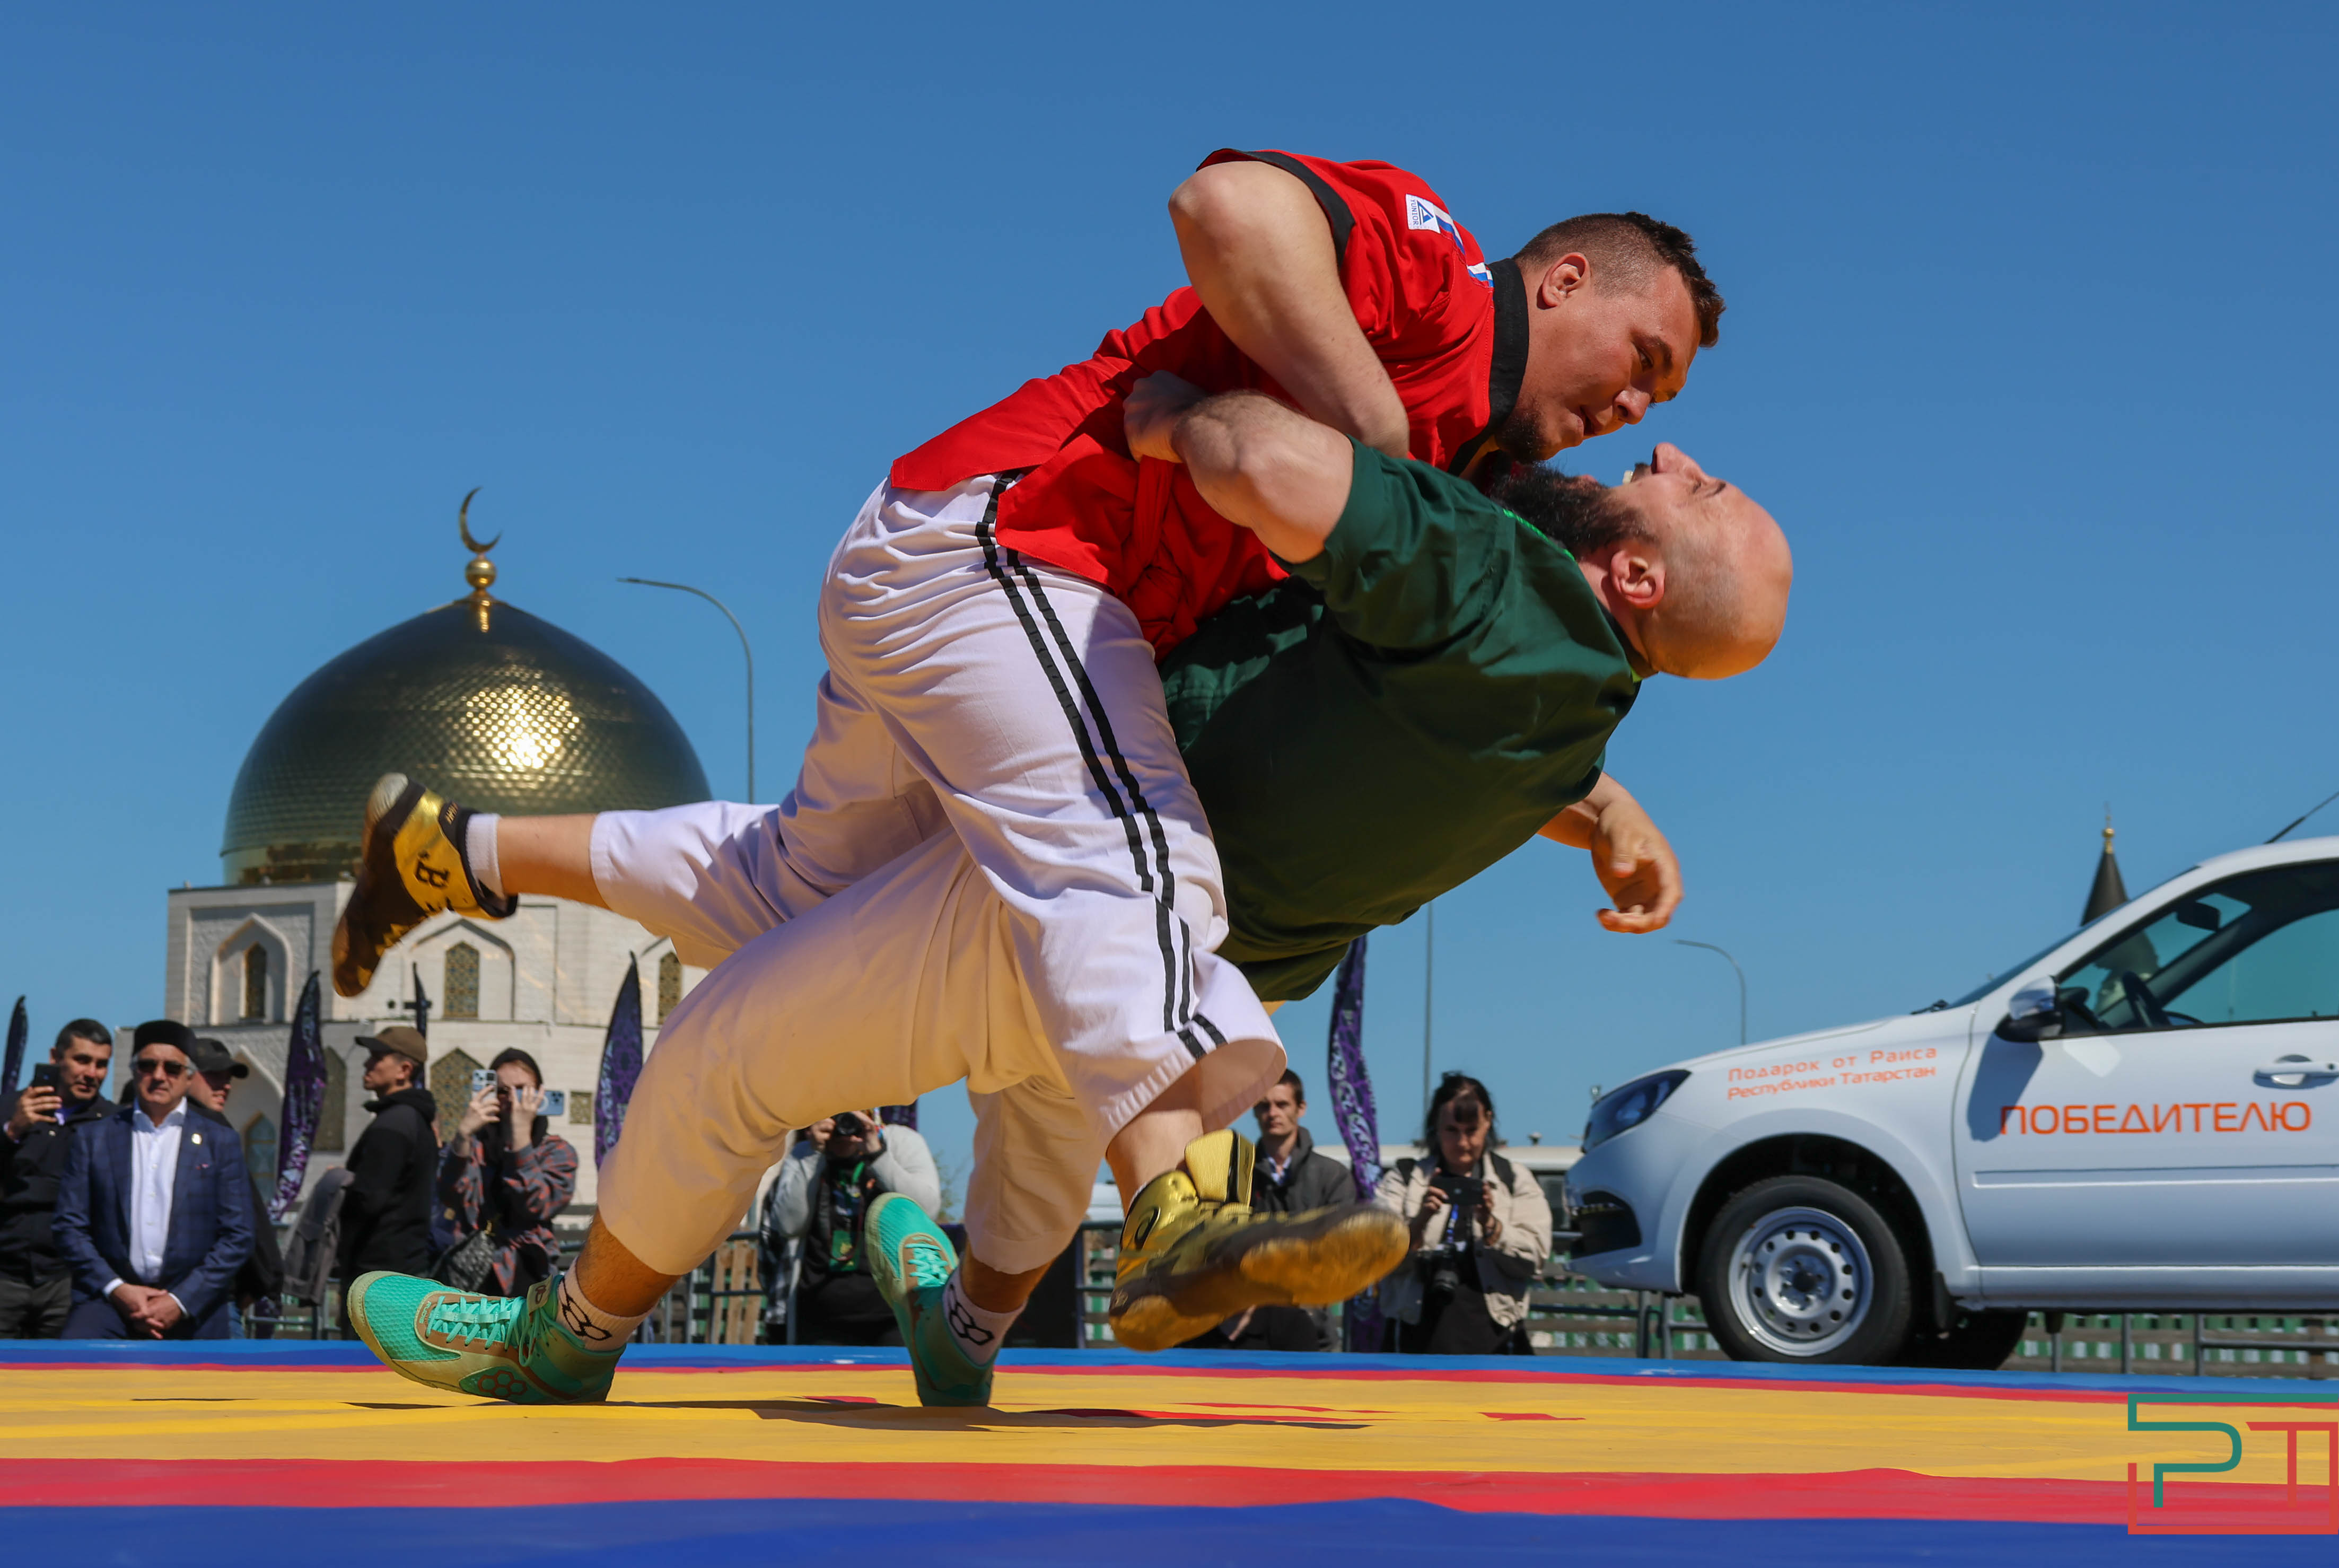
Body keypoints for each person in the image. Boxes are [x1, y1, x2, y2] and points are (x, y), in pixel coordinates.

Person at [332, 153, 1722, 1398]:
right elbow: (1223, 205)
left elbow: (1428, 701)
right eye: (1643, 357)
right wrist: (1367, 418)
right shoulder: (1433, 275)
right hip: (1007, 544)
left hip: (965, 593)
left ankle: (458, 848)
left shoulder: (1476, 495)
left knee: (788, 882)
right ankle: (1178, 1200)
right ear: (1564, 275)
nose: (1633, 408)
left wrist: (1598, 803)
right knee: (1121, 839)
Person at [52, 1021, 255, 1339]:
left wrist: (179, 1301)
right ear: (134, 1071)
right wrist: (118, 1289)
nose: (159, 1076)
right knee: (75, 1377)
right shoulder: (95, 1139)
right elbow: (69, 1226)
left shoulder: (220, 1142)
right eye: (148, 1065)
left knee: (205, 1387)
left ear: (189, 1077)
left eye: (172, 1068)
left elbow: (238, 1234)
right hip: (110, 1304)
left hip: (194, 1306)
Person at [1376, 1074, 1554, 1355]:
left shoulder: (1514, 1179)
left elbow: (1535, 1259)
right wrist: (1420, 1221)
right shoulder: (1405, 1178)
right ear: (1436, 1125)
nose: (1462, 1143)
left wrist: (1491, 1224)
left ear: (1489, 1122)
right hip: (1412, 1340)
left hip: (1496, 1343)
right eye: (1451, 1130)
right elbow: (1376, 1258)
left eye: (1472, 1130)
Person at [1181, 1070, 1354, 1351]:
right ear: (1254, 1110)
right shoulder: (1230, 1177)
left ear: (1301, 1109)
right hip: (1241, 1325)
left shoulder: (1332, 1177)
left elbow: (1339, 1254)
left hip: (1311, 1323)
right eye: (1264, 1105)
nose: (1272, 1113)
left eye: (1282, 1104)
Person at [757, 1109, 940, 1345]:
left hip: (895, 1315)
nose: (844, 1124)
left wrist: (877, 1154)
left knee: (896, 1382)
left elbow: (927, 1211)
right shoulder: (805, 1153)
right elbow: (789, 1226)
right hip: (819, 1316)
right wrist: (814, 1154)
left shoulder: (902, 1142)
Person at [0, 1019, 114, 1337]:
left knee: (60, 1375)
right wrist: (12, 1132)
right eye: (82, 1060)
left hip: (68, 1280)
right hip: (6, 1273)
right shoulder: (10, 1108)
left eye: (102, 1065)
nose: (91, 1073)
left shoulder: (113, 1123)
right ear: (55, 1057)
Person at [436, 1046, 578, 1299]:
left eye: (523, 1090)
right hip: (471, 1273)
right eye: (503, 1091)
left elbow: (535, 1205)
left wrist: (520, 1139)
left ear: (540, 1094)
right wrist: (462, 1137)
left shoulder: (556, 1151)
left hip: (528, 1276)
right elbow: (450, 1195)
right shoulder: (476, 1146)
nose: (512, 1098)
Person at [337, 1026, 439, 1333]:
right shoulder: (412, 1119)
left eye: (377, 1058)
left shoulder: (395, 1123)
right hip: (402, 1273)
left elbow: (369, 1198)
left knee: (362, 1374)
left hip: (378, 1281)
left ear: (404, 1070)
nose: (368, 1065)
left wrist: (342, 1183)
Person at [183, 1037, 286, 1331]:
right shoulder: (213, 1130)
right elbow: (247, 1216)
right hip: (212, 1299)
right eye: (214, 1076)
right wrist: (267, 1278)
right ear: (185, 1075)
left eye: (228, 1078)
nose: (225, 1085)